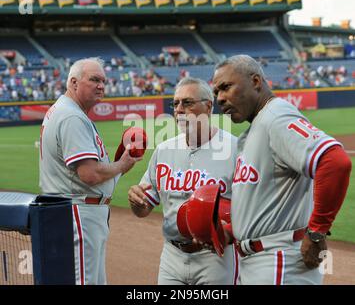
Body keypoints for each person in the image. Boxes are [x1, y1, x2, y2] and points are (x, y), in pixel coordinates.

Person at [212, 55, 352, 285]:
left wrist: (317, 231)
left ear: (256, 81)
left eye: (226, 87)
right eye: (217, 92)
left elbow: (335, 161)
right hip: (258, 261)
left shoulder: (275, 117)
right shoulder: (256, 127)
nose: (220, 98)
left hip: (278, 262)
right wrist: (231, 229)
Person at [39, 57, 142, 285]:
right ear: (74, 83)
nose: (101, 86)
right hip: (79, 213)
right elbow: (90, 175)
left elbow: (92, 173)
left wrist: (118, 165)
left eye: (103, 81)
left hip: (76, 210)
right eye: (94, 79)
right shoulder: (72, 117)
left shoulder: (67, 111)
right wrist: (123, 165)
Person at [128, 77, 239, 285]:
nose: (179, 109)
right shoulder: (164, 150)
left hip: (216, 257)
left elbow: (251, 210)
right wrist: (136, 201)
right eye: (175, 103)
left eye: (187, 102)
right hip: (172, 256)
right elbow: (143, 209)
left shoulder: (234, 150)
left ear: (208, 107)